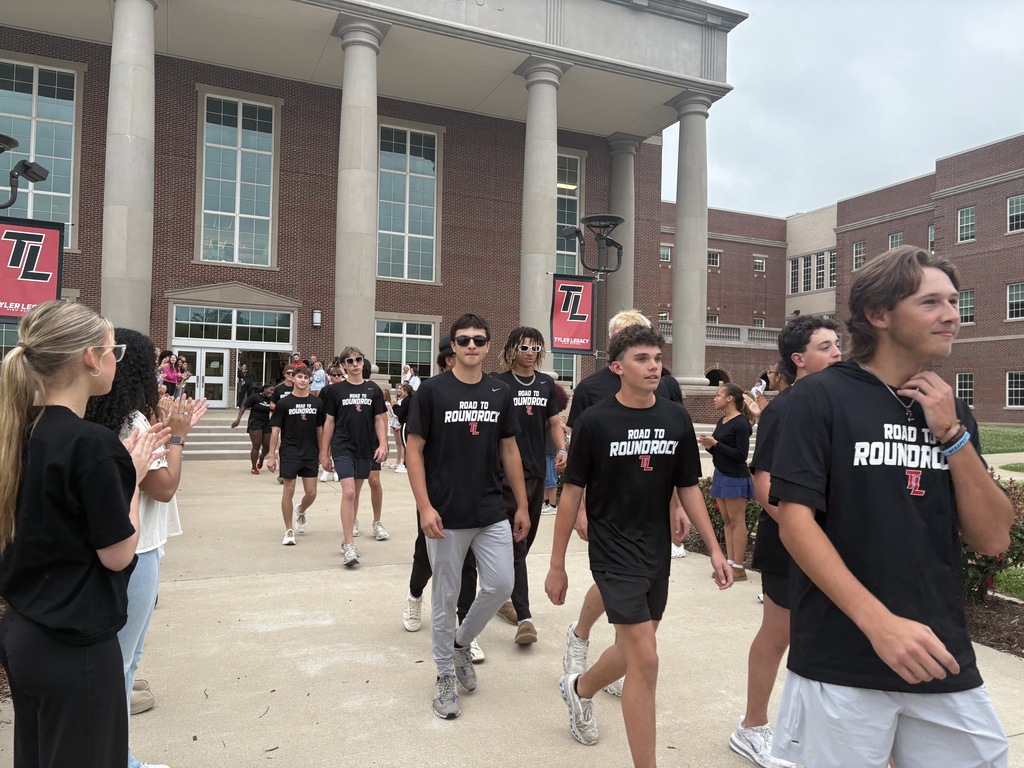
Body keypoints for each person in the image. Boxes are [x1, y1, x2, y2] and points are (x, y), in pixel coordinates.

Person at [770, 247, 1012, 768]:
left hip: (937, 650)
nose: (952, 314)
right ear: (878, 315)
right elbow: (795, 524)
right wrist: (880, 625)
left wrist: (951, 433)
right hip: (841, 659)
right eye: (931, 302)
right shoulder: (820, 398)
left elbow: (993, 538)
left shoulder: (950, 407)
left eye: (954, 300)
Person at [545, 324, 732, 766]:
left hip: (655, 550)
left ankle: (578, 689)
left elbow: (687, 485)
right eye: (641, 359)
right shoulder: (595, 421)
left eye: (656, 358)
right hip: (612, 549)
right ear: (617, 367)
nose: (653, 366)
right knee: (646, 661)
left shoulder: (675, 416)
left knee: (633, 653)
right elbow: (571, 493)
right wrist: (557, 564)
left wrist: (717, 549)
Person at [0, 301, 166, 767]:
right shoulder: (92, 444)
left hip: (26, 631)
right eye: (113, 350)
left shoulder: (20, 430)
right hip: (75, 648)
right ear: (90, 359)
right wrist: (130, 477)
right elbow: (117, 554)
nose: (118, 359)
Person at [85, 328, 207, 768]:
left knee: (118, 661)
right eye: (154, 367)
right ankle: (118, 758)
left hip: (115, 547)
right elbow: (164, 487)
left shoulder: (101, 414)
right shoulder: (133, 423)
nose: (161, 375)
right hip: (138, 550)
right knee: (123, 663)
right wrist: (177, 437)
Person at [406, 314, 529, 720]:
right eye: (464, 340)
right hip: (445, 513)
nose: (471, 346)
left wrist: (523, 505)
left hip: (491, 507)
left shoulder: (499, 392)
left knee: (500, 584)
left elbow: (510, 450)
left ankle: (461, 642)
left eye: (479, 339)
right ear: (453, 347)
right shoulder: (432, 392)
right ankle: (443, 674)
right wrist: (424, 506)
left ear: (489, 345)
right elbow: (413, 451)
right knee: (444, 598)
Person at [728, 317, 838, 768]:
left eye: (837, 345)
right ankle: (751, 727)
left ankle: (816, 731)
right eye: (826, 347)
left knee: (828, 638)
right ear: (799, 359)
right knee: (779, 634)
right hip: (791, 545)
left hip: (835, 545)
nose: (837, 353)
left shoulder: (838, 403)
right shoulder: (783, 408)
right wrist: (805, 531)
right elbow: (764, 483)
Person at [562, 309, 688, 697]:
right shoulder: (591, 392)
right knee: (623, 609)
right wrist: (581, 509)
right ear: (617, 353)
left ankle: (592, 679)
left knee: (639, 639)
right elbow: (578, 465)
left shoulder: (665, 390)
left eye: (653, 352)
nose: (650, 364)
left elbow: (672, 459)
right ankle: (580, 635)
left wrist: (678, 507)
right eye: (635, 345)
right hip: (610, 522)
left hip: (650, 523)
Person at [492, 327, 567, 645]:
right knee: (517, 544)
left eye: (536, 347)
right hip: (506, 474)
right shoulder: (499, 383)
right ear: (512, 348)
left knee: (526, 539)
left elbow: (554, 423)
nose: (530, 351)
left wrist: (562, 448)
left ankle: (502, 593)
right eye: (524, 346)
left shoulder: (546, 383)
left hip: (537, 470)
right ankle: (524, 616)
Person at [319, 347, 388, 565]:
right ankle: (349, 545)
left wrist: (384, 444)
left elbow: (380, 418)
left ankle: (347, 536)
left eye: (358, 359)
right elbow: (328, 422)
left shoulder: (373, 389)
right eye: (349, 361)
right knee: (348, 492)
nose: (355, 363)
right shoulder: (335, 391)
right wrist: (324, 452)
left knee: (356, 493)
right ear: (343, 365)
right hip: (343, 446)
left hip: (365, 447)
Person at [697, 383, 755, 581]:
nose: (715, 398)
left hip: (735, 476)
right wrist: (710, 446)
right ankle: (730, 563)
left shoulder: (741, 423)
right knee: (727, 521)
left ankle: (739, 566)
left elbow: (740, 455)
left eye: (718, 395)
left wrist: (716, 444)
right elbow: (719, 450)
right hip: (722, 473)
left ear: (730, 398)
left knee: (737, 521)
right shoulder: (722, 420)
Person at [266, 366, 324, 546]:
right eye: (299, 377)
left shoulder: (317, 403)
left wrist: (324, 453)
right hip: (290, 451)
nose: (303, 380)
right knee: (288, 490)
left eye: (306, 377)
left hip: (310, 452)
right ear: (293, 379)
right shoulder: (284, 403)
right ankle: (289, 530)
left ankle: (301, 510)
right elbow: (275, 430)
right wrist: (271, 455)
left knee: (312, 493)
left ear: (310, 380)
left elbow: (320, 429)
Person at [231, 382, 276, 474]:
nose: (271, 393)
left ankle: (262, 457)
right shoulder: (255, 397)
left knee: (267, 446)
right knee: (256, 444)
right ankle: (254, 467)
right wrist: (238, 420)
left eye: (273, 392)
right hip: (255, 422)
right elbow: (244, 407)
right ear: (264, 389)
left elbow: (275, 411)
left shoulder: (271, 400)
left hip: (267, 423)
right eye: (270, 390)